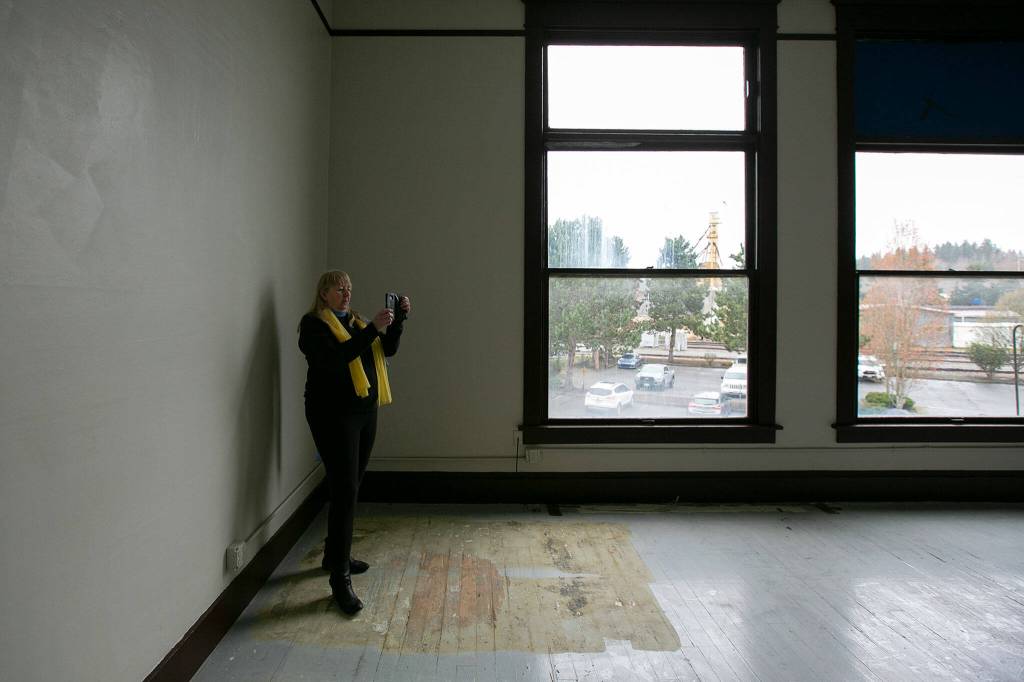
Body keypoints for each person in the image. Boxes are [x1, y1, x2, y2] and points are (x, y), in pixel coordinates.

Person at [298, 270, 410, 614]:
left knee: (351, 485)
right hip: (332, 415)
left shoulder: (359, 321)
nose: (346, 293)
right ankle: (339, 577)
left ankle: (335, 554)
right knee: (345, 488)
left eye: (348, 287)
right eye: (338, 288)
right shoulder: (313, 326)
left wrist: (398, 321)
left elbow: (386, 350)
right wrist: (373, 329)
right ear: (324, 293)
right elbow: (336, 359)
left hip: (364, 411)